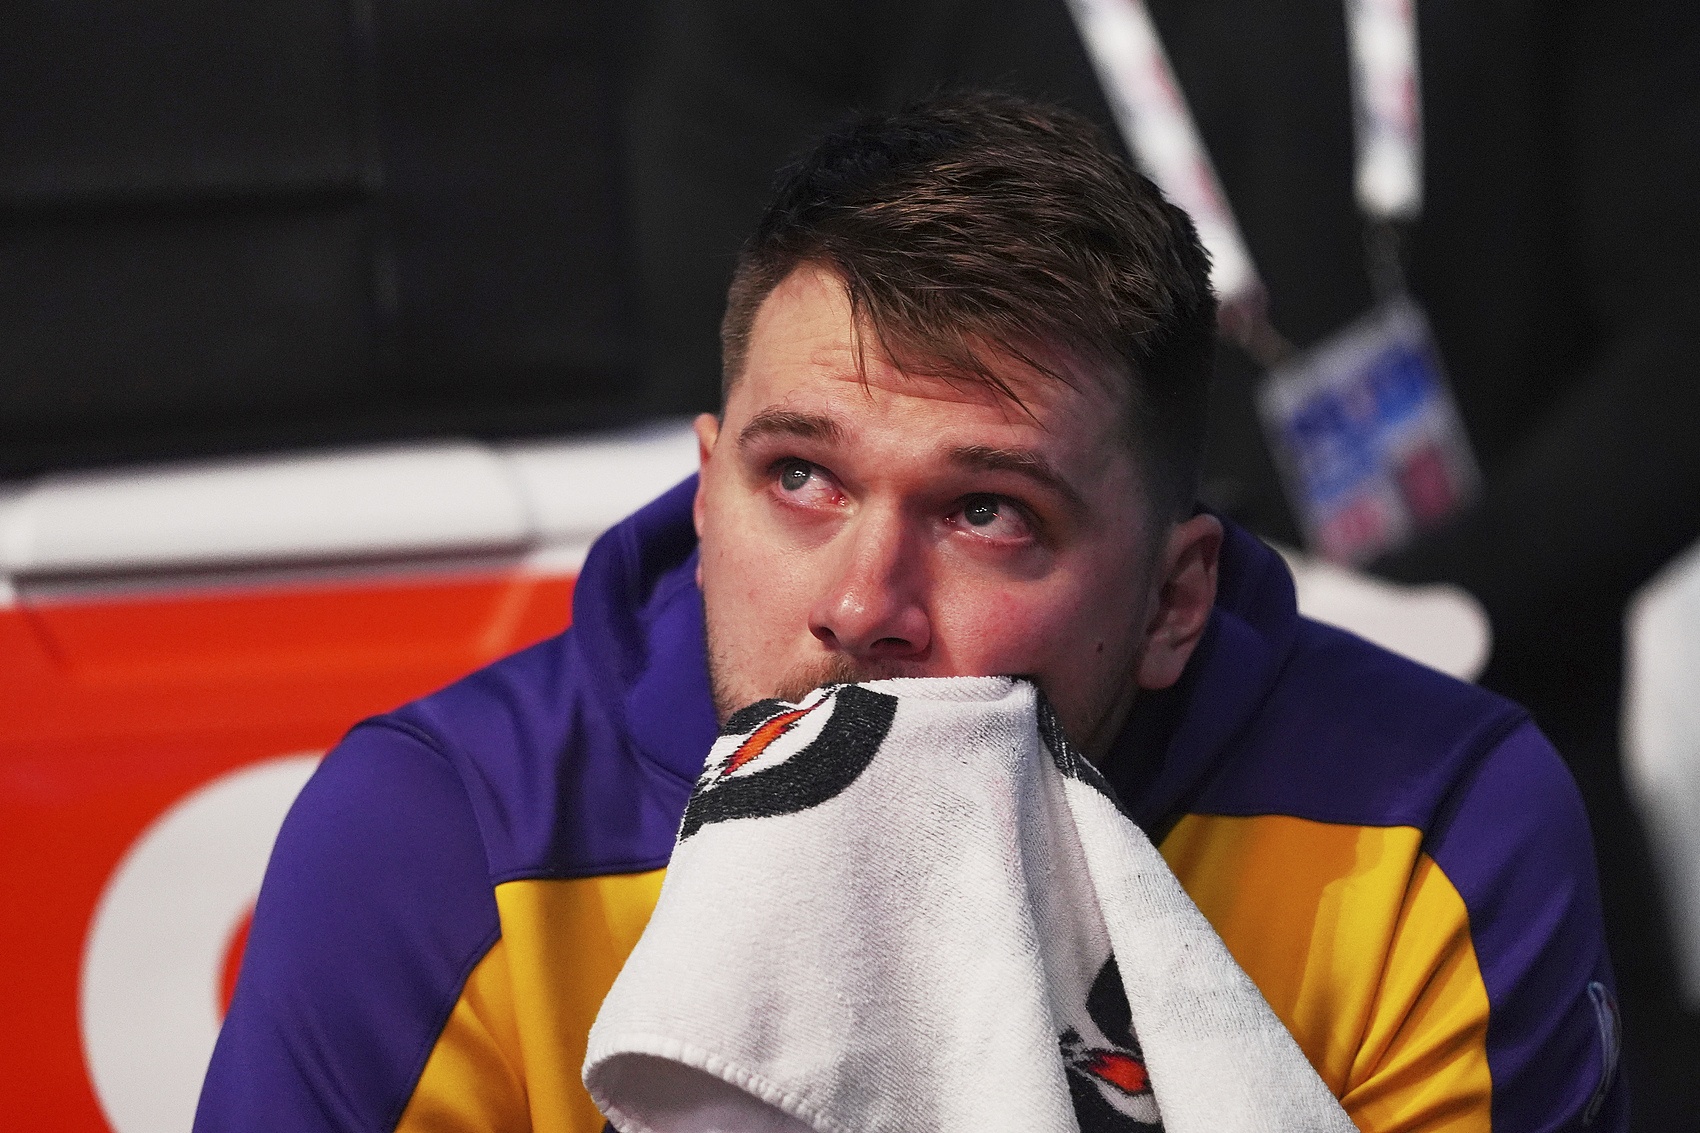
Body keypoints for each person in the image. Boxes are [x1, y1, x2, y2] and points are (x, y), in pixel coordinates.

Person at [197, 94, 1624, 1131]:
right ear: (706, 496)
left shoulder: (1436, 832)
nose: (861, 604)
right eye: (800, 477)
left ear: (1173, 600)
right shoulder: (437, 839)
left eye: (986, 511)